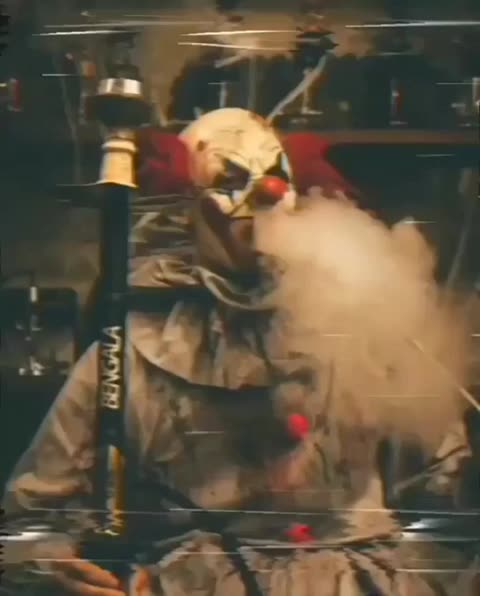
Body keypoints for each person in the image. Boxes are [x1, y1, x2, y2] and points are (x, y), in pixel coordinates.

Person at [2, 109, 478, 596]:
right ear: (187, 209)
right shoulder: (129, 355)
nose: (264, 194)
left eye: (273, 176)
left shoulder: (369, 327)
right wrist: (53, 566)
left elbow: (447, 497)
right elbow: (29, 523)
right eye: (230, 179)